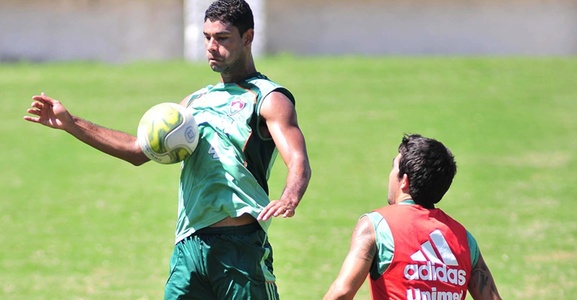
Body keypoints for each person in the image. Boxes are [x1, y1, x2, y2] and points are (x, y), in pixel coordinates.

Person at [23, 0, 311, 299]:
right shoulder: (194, 102)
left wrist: (290, 197)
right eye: (207, 37)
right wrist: (71, 123)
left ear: (247, 38)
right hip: (189, 246)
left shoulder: (268, 98)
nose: (212, 46)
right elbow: (137, 150)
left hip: (238, 248)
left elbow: (298, 160)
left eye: (222, 38)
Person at [324, 134, 501, 300]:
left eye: (394, 167)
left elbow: (342, 292)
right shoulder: (465, 240)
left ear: (404, 180)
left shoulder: (377, 225)